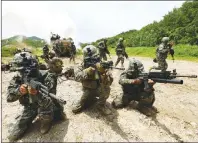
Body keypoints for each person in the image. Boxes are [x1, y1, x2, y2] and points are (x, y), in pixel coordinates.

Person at [6, 51, 66, 142]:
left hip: (46, 105)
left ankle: (47, 121)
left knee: (53, 113)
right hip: (30, 106)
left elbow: (49, 101)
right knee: (12, 136)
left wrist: (37, 94)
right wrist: (20, 91)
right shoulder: (18, 78)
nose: (22, 73)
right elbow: (9, 98)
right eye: (20, 71)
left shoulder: (48, 76)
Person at [64, 45, 113, 115]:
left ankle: (101, 105)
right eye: (90, 59)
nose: (94, 60)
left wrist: (103, 73)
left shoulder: (102, 65)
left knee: (106, 89)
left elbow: (110, 81)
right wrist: (87, 71)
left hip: (100, 88)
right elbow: (77, 77)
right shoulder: (81, 66)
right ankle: (90, 99)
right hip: (88, 89)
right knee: (76, 109)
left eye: (96, 57)